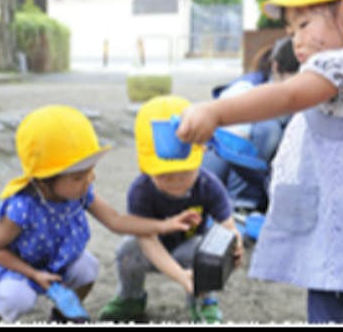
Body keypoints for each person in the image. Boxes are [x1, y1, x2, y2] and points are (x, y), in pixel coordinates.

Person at [175, 0, 343, 324]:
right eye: (290, 29)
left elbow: (286, 96)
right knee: (340, 309)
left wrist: (216, 111)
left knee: (330, 312)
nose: (295, 40)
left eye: (303, 25)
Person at [0, 105, 201, 324]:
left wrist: (165, 225)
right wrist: (33, 274)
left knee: (87, 267)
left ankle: (61, 316)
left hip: (53, 262)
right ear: (43, 181)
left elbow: (116, 221)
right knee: (18, 297)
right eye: (79, 177)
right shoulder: (22, 206)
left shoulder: (79, 193)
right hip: (16, 268)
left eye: (90, 172)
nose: (90, 180)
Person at [98, 95, 243, 324]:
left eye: (184, 172)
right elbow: (147, 240)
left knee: (206, 253)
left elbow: (227, 225)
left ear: (201, 155)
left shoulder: (208, 185)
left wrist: (234, 244)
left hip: (189, 248)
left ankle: (203, 299)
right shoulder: (141, 190)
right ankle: (131, 297)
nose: (175, 181)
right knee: (127, 250)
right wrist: (179, 275)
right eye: (164, 175)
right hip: (152, 249)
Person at [202, 37, 300, 213]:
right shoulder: (245, 88)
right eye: (291, 81)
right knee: (267, 129)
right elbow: (230, 145)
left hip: (260, 178)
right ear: (276, 68)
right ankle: (241, 207)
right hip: (221, 170)